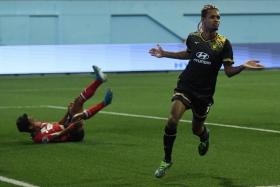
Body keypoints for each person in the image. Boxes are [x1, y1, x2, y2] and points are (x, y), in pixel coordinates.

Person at [149, 4, 264, 178]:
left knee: (196, 129)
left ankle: (204, 136)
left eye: (218, 17)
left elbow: (229, 72)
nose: (216, 20)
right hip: (186, 86)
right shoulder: (193, 37)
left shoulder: (224, 43)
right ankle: (167, 159)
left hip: (204, 94)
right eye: (212, 17)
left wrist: (243, 66)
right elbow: (188, 54)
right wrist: (165, 54)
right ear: (203, 20)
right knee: (172, 119)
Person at [16, 66, 113, 143]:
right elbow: (58, 135)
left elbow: (59, 124)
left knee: (77, 102)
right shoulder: (39, 138)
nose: (32, 118)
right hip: (73, 135)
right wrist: (72, 126)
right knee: (76, 116)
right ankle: (104, 103)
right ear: (30, 127)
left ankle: (99, 80)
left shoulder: (40, 125)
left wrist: (67, 112)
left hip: (68, 126)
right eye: (30, 119)